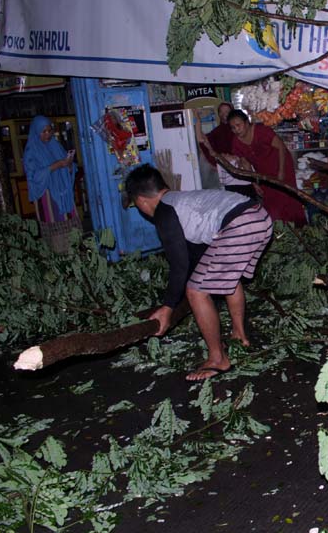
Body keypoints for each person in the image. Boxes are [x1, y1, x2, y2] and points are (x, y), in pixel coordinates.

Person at [124, 164, 273, 381]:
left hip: (240, 224)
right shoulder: (183, 201)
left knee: (195, 290)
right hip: (259, 217)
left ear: (141, 200)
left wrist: (167, 307)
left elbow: (179, 264)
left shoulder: (165, 211)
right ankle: (239, 335)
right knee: (225, 277)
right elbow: (198, 256)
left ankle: (217, 359)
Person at [226, 109, 307, 225]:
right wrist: (254, 183)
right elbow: (246, 164)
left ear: (247, 122)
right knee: (270, 201)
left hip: (282, 163)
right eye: (233, 127)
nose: (236, 130)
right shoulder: (236, 142)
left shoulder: (262, 131)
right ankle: (278, 231)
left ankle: (299, 226)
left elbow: (281, 147)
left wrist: (281, 172)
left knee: (288, 197)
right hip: (263, 172)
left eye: (238, 125)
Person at [22, 115, 81, 252]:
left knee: (71, 230)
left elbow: (69, 167)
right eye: (44, 131)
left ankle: (75, 256)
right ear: (36, 132)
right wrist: (55, 166)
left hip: (64, 194)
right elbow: (33, 176)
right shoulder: (31, 151)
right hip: (47, 196)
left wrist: (69, 166)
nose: (47, 134)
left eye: (49, 130)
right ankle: (60, 259)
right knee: (56, 235)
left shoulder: (55, 145)